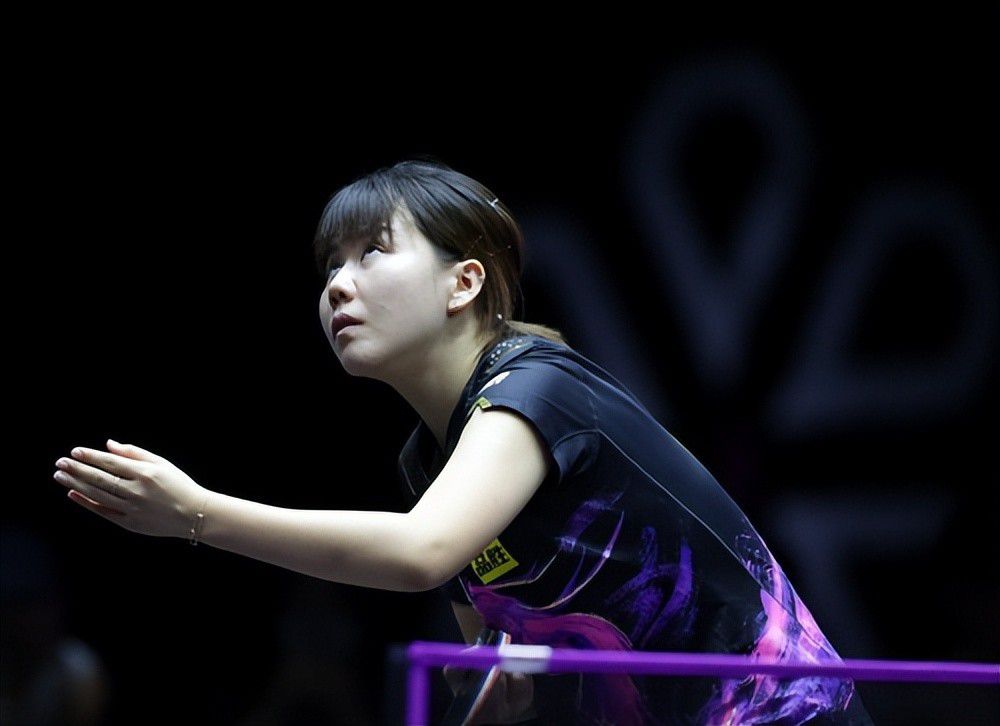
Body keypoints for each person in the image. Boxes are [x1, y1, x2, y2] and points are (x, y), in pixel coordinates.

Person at [52, 158, 874, 725]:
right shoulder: (429, 459)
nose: (338, 283)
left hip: (782, 710)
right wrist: (494, 685)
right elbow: (497, 671)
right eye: (328, 265)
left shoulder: (538, 387)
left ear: (465, 281)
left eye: (373, 251)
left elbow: (421, 552)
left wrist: (199, 514)